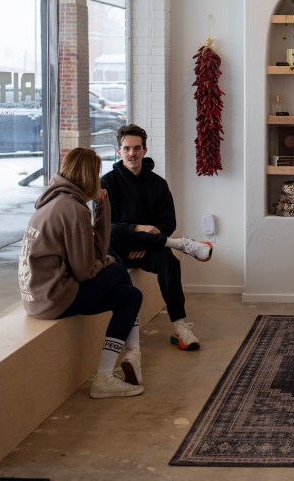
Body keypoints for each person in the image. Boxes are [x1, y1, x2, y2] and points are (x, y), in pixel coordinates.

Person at [18, 147, 144, 399]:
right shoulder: (72, 209)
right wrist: (106, 259)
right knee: (119, 271)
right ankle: (127, 357)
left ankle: (115, 369)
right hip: (54, 299)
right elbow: (86, 269)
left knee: (129, 296)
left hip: (36, 298)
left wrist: (101, 208)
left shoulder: (53, 201)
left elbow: (89, 260)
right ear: (89, 175)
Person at [102, 124, 213, 351]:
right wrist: (139, 229)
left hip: (148, 250)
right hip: (118, 250)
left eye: (136, 148)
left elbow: (168, 223)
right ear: (118, 151)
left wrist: (145, 242)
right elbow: (104, 226)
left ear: (144, 150)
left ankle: (179, 326)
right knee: (114, 231)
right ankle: (182, 244)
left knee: (169, 261)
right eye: (126, 148)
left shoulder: (158, 184)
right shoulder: (107, 183)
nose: (131, 153)